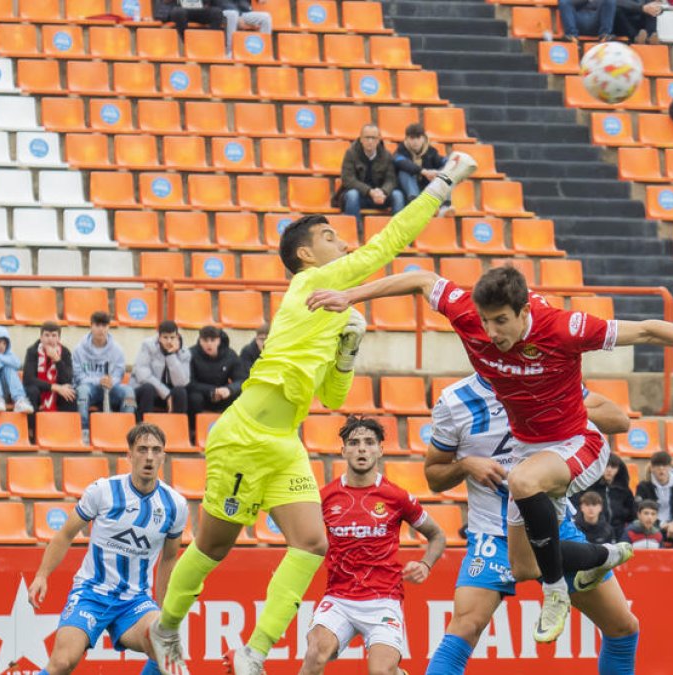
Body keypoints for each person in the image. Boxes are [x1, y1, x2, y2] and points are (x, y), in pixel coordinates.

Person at [151, 152, 478, 675]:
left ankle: (254, 651)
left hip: (284, 443)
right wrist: (441, 186)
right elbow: (385, 245)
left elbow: (331, 396)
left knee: (312, 543)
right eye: (330, 237)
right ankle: (165, 627)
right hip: (244, 435)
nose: (343, 243)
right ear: (305, 255)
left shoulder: (337, 307)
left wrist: (348, 351)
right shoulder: (307, 287)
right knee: (213, 547)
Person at [307, 264, 673, 643]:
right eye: (484, 320)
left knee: (522, 486)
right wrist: (349, 295)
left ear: (524, 311)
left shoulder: (563, 327)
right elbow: (422, 279)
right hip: (530, 450)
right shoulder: (469, 315)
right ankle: (601, 557)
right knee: (522, 565)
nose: (490, 332)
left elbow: (648, 330)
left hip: (579, 444)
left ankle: (557, 590)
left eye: (501, 320)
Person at [422, 373, 640, 675]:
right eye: (486, 326)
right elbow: (433, 476)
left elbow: (618, 420)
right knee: (465, 627)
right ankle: (603, 555)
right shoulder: (455, 399)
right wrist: (466, 465)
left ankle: (600, 556)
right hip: (492, 534)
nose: (494, 337)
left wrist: (557, 403)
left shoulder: (547, 377)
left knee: (623, 628)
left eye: (501, 324)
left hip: (553, 525)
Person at [27, 423, 188, 675]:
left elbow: (169, 560)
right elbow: (66, 534)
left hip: (134, 601)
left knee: (165, 646)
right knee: (62, 663)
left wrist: (163, 612)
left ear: (163, 456)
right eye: (142, 449)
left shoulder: (175, 505)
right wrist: (41, 575)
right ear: (129, 455)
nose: (149, 457)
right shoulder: (103, 491)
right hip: (91, 592)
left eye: (156, 450)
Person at [299, 417, 446, 675]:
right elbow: (303, 539)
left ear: (380, 449)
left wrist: (426, 564)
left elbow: (437, 535)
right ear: (343, 451)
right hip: (339, 597)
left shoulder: (397, 497)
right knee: (315, 655)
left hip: (383, 599)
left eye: (369, 442)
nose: (362, 449)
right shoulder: (325, 497)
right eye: (354, 443)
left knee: (381, 672)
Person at [74, 312, 134, 434]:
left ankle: (126, 432)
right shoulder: (79, 349)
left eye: (104, 325)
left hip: (111, 388)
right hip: (90, 388)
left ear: (108, 327)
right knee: (82, 391)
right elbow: (78, 375)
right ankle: (83, 431)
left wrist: (112, 381)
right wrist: (98, 381)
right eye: (97, 325)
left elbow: (119, 372)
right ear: (91, 326)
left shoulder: (117, 349)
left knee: (128, 392)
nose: (101, 329)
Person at [334, 124, 405, 227]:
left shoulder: (386, 155)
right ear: (361, 139)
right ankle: (355, 232)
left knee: (397, 195)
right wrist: (369, 191)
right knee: (352, 195)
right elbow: (348, 179)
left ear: (378, 139)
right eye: (367, 137)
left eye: (373, 138)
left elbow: (391, 179)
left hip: (380, 197)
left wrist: (383, 191)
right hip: (360, 196)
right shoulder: (351, 153)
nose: (370, 141)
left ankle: (398, 232)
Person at [133, 320, 191, 417]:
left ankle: (177, 429)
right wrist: (166, 393)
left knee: (180, 392)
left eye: (172, 337)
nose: (169, 341)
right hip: (147, 391)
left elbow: (182, 382)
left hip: (169, 394)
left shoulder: (184, 352)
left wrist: (171, 355)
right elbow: (143, 375)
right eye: (165, 337)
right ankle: (144, 428)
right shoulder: (147, 345)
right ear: (159, 337)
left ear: (177, 337)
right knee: (148, 389)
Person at [634, 451, 673, 547]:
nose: (661, 469)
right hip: (652, 523)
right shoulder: (643, 487)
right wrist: (661, 524)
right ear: (651, 468)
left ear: (670, 467)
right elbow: (640, 509)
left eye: (664, 465)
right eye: (657, 466)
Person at [188, 325, 246, 416]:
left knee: (241, 394)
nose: (209, 344)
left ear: (219, 340)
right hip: (202, 394)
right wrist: (212, 390)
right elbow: (190, 383)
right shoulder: (191, 354)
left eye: (212, 340)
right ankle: (193, 428)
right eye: (205, 340)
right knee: (194, 398)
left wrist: (229, 389)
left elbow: (241, 379)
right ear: (200, 340)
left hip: (223, 394)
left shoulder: (230, 355)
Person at [23, 321, 77, 414]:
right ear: (41, 337)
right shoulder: (32, 351)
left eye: (53, 335)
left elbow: (67, 379)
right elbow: (28, 379)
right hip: (39, 389)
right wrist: (54, 387)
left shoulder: (65, 352)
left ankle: (66, 427)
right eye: (47, 335)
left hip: (58, 389)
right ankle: (31, 428)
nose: (50, 339)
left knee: (70, 394)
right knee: (32, 392)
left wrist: (57, 360)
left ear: (58, 338)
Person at [579, 453, 636, 541]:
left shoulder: (624, 490)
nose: (609, 470)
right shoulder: (589, 488)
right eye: (606, 466)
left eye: (613, 467)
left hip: (620, 533)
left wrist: (622, 513)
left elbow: (632, 513)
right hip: (596, 533)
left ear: (618, 469)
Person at [392, 123, 448, 207]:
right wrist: (424, 172)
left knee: (446, 175)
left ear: (423, 138)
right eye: (412, 138)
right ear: (406, 139)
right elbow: (404, 164)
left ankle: (446, 206)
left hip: (426, 190)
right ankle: (414, 200)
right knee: (405, 172)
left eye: (418, 138)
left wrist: (438, 171)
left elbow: (441, 161)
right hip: (405, 193)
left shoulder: (431, 151)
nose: (415, 141)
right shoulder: (400, 151)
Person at [153, 0, 225, 36]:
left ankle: (210, 42)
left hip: (200, 8)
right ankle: (187, 43)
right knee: (179, 13)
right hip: (178, 7)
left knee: (216, 12)